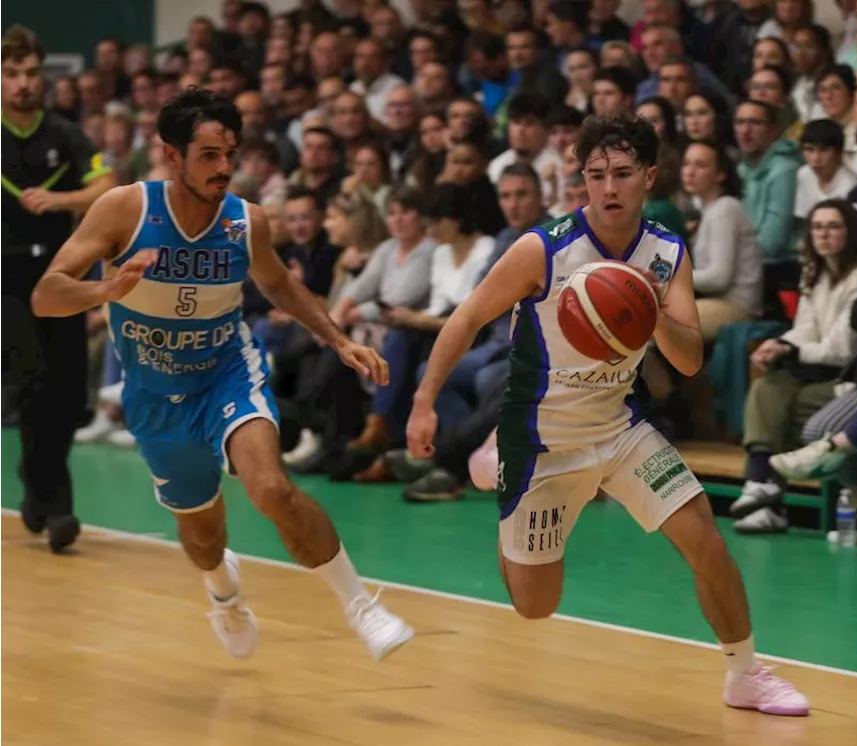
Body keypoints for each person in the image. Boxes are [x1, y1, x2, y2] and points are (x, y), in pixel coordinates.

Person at [405, 112, 810, 716]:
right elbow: (465, 320)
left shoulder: (666, 251)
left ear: (649, 177)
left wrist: (649, 307)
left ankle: (745, 672)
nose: (609, 187)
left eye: (623, 173)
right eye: (596, 175)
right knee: (536, 606)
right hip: (541, 440)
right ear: (582, 180)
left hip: (620, 429)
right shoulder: (543, 248)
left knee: (704, 537)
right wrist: (422, 404)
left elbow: (691, 358)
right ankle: (499, 469)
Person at [29, 88, 414, 662]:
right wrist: (105, 289)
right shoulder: (124, 209)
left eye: (230, 152)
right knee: (204, 535)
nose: (224, 167)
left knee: (272, 489)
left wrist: (337, 339)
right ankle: (224, 594)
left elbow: (280, 284)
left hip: (226, 371)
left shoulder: (245, 220)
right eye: (209, 154)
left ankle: (363, 606)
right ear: (172, 155)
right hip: (155, 394)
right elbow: (45, 295)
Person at [0, 25, 114, 553]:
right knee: (36, 382)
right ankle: (57, 507)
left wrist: (60, 201)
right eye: (11, 74)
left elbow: (105, 184)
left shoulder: (64, 133)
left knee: (68, 397)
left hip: (61, 279)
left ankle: (34, 478)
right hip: (6, 283)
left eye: (29, 73)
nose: (22, 84)